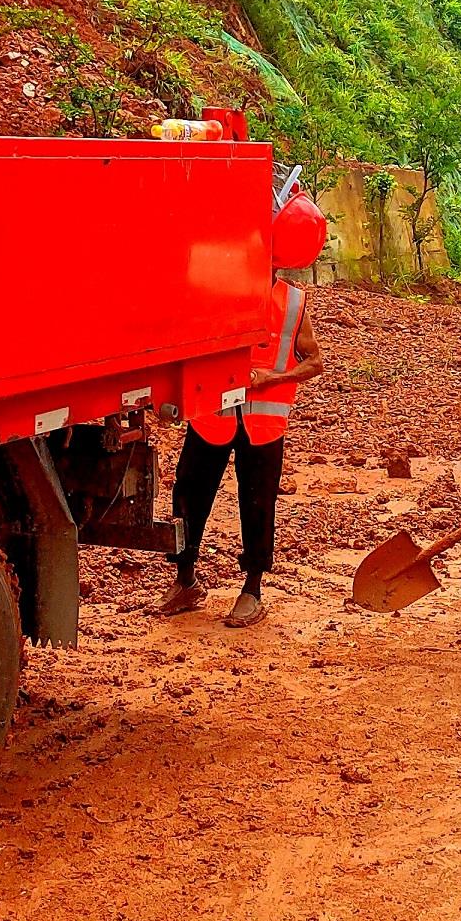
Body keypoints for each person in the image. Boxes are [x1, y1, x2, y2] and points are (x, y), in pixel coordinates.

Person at [158, 193, 329, 628]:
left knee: (257, 504)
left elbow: (315, 361)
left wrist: (271, 379)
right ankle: (185, 579)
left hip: (263, 423)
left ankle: (253, 587)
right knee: (189, 495)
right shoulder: (219, 290)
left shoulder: (292, 301)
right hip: (213, 415)